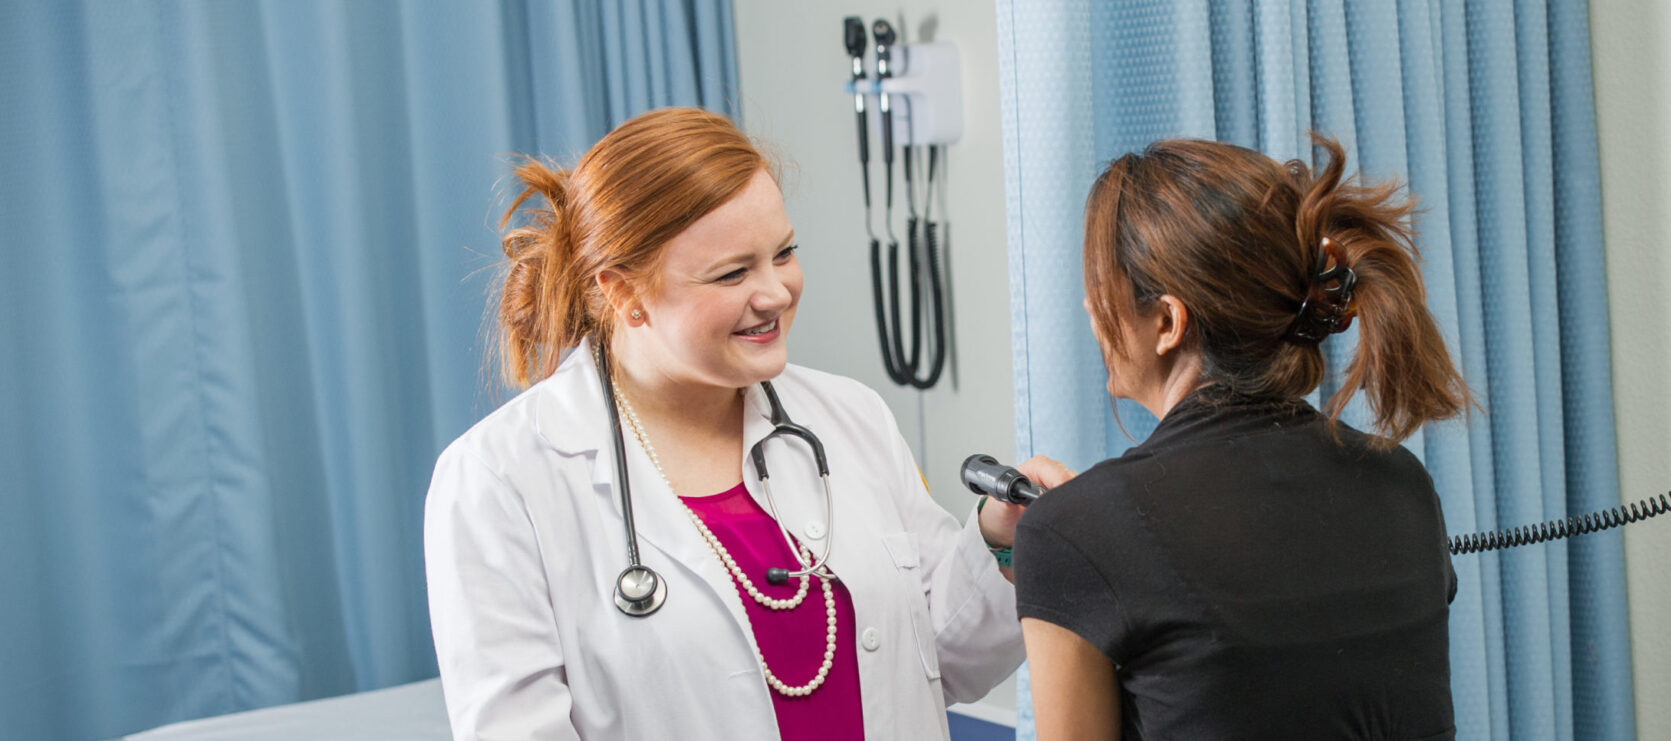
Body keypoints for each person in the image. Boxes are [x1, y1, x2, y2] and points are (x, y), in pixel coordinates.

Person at [422, 107, 1024, 741]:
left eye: (783, 253)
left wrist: (1000, 544)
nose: (776, 292)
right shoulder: (500, 480)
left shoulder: (851, 417)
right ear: (623, 292)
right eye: (733, 273)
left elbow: (939, 660)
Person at [1009, 135, 1471, 740]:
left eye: (1104, 288)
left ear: (1168, 323)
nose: (1093, 308)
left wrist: (1059, 539)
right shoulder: (1404, 484)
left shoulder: (1074, 531)